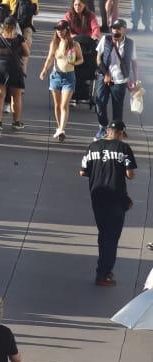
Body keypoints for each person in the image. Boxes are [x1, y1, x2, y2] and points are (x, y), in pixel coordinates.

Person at [80, 120, 138, 286]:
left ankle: (103, 268)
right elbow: (130, 174)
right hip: (116, 199)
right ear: (120, 133)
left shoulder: (92, 147)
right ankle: (104, 273)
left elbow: (82, 171)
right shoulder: (123, 148)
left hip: (97, 197)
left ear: (107, 131)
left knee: (103, 233)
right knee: (111, 237)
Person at [94, 19, 139, 138]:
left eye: (119, 28)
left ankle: (116, 132)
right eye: (114, 28)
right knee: (100, 104)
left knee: (117, 108)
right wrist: (105, 73)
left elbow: (134, 63)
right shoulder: (106, 40)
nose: (116, 30)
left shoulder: (130, 43)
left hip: (120, 79)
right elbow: (98, 58)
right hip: (104, 77)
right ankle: (103, 128)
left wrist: (136, 80)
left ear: (124, 30)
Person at [42, 18, 84, 140]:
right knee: (57, 104)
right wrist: (44, 70)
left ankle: (61, 129)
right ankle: (59, 127)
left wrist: (75, 63)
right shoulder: (54, 43)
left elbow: (81, 59)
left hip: (69, 77)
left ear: (67, 30)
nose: (59, 32)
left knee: (64, 105)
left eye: (61, 30)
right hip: (56, 76)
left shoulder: (74, 44)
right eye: (57, 30)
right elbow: (50, 58)